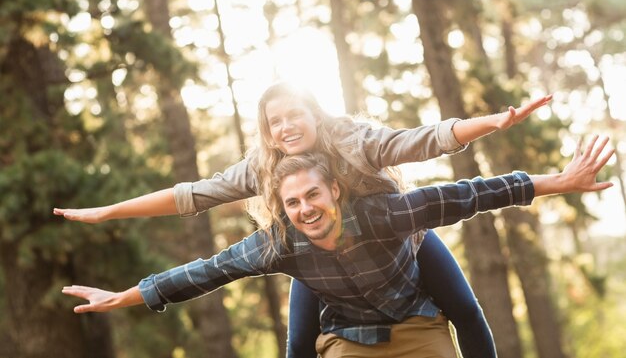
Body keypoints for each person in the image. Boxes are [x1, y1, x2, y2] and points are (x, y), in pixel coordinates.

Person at [54, 82, 552, 358]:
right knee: (298, 342)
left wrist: (493, 123)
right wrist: (110, 211)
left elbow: (422, 141)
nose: (287, 127)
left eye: (296, 115)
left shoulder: (354, 141)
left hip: (396, 240)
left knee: (464, 310)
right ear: (268, 133)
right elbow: (193, 196)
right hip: (315, 256)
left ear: (315, 114)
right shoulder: (262, 169)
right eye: (276, 122)